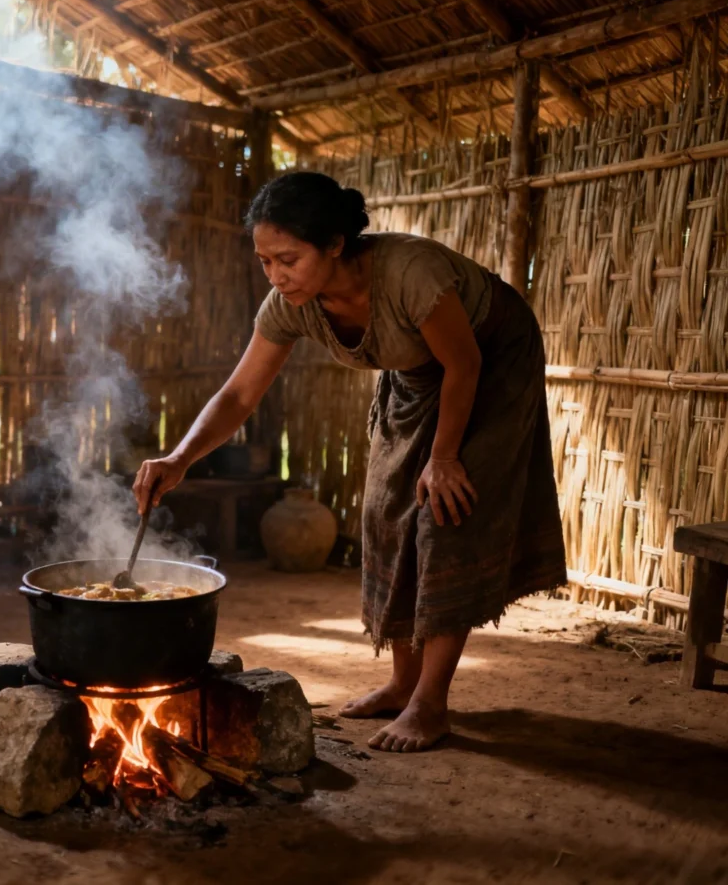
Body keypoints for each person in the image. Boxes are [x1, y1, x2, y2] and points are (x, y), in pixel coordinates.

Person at [133, 171, 566, 753]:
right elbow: (239, 394)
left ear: (335, 244)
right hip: (418, 372)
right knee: (388, 512)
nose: (275, 274)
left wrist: (442, 458)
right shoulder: (291, 304)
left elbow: (464, 365)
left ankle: (430, 703)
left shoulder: (411, 274)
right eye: (264, 261)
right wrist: (181, 458)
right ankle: (401, 683)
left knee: (444, 510)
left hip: (491, 361)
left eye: (288, 258)